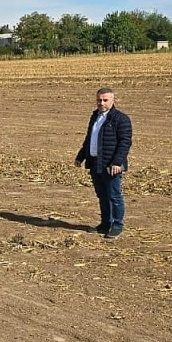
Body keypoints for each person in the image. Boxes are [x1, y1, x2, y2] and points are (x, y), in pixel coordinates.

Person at [74, 87, 133, 239]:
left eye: (105, 100)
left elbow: (125, 143)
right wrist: (81, 157)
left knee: (114, 196)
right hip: (95, 163)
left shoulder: (121, 119)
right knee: (102, 195)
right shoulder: (95, 116)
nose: (101, 103)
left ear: (113, 100)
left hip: (111, 165)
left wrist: (116, 162)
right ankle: (105, 224)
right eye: (99, 100)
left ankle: (117, 225)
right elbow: (89, 139)